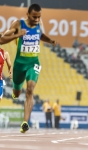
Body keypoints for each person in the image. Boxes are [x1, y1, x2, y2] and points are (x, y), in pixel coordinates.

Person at [3, 3, 56, 133]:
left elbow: (40, 35)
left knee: (30, 90)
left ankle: (25, 123)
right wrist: (17, 35)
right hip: (19, 64)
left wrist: (50, 40)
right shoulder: (18, 24)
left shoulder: (39, 24)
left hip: (34, 63)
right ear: (27, 14)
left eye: (39, 17)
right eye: (34, 17)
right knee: (17, 92)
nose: (37, 20)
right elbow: (2, 39)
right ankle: (16, 92)